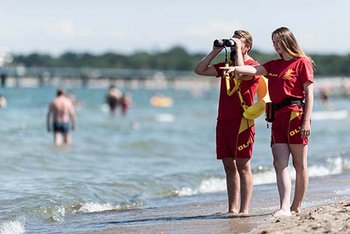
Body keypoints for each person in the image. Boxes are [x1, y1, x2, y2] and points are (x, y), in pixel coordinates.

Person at [221, 27, 314, 217]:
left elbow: (309, 94)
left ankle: (296, 205)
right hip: (277, 117)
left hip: (295, 116)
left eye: (278, 41)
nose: (275, 45)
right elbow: (247, 70)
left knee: (299, 164)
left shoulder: (302, 63)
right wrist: (237, 52)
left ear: (288, 41)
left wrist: (306, 121)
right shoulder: (272, 65)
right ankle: (284, 206)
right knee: (279, 164)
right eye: (273, 42)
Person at [194, 30, 261, 216]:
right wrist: (215, 50)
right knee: (228, 166)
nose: (234, 46)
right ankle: (232, 209)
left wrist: (238, 50)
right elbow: (199, 70)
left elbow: (241, 74)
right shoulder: (227, 65)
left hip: (243, 121)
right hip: (223, 121)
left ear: (247, 47)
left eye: (238, 43)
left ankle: (244, 209)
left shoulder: (253, 66)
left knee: (242, 164)